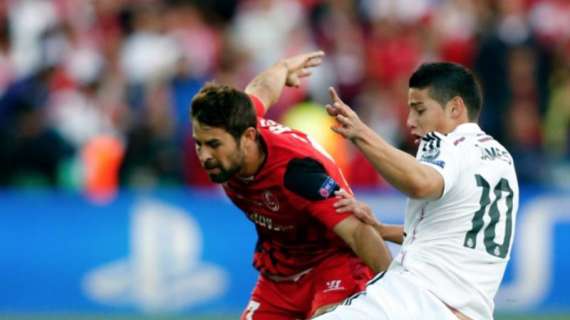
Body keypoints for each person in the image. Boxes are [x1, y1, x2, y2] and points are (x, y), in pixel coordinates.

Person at [190, 51, 392, 319]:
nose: (204, 156)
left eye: (214, 145)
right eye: (198, 143)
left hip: (334, 264)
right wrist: (283, 68)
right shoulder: (239, 120)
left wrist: (398, 293)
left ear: (248, 136)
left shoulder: (297, 173)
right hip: (280, 277)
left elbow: (358, 233)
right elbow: (261, 88)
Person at [316, 62, 519, 320]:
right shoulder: (502, 158)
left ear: (455, 108)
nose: (411, 121)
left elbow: (421, 184)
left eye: (419, 110)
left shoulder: (446, 141)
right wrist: (381, 230)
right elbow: (453, 234)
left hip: (418, 299)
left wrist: (360, 133)